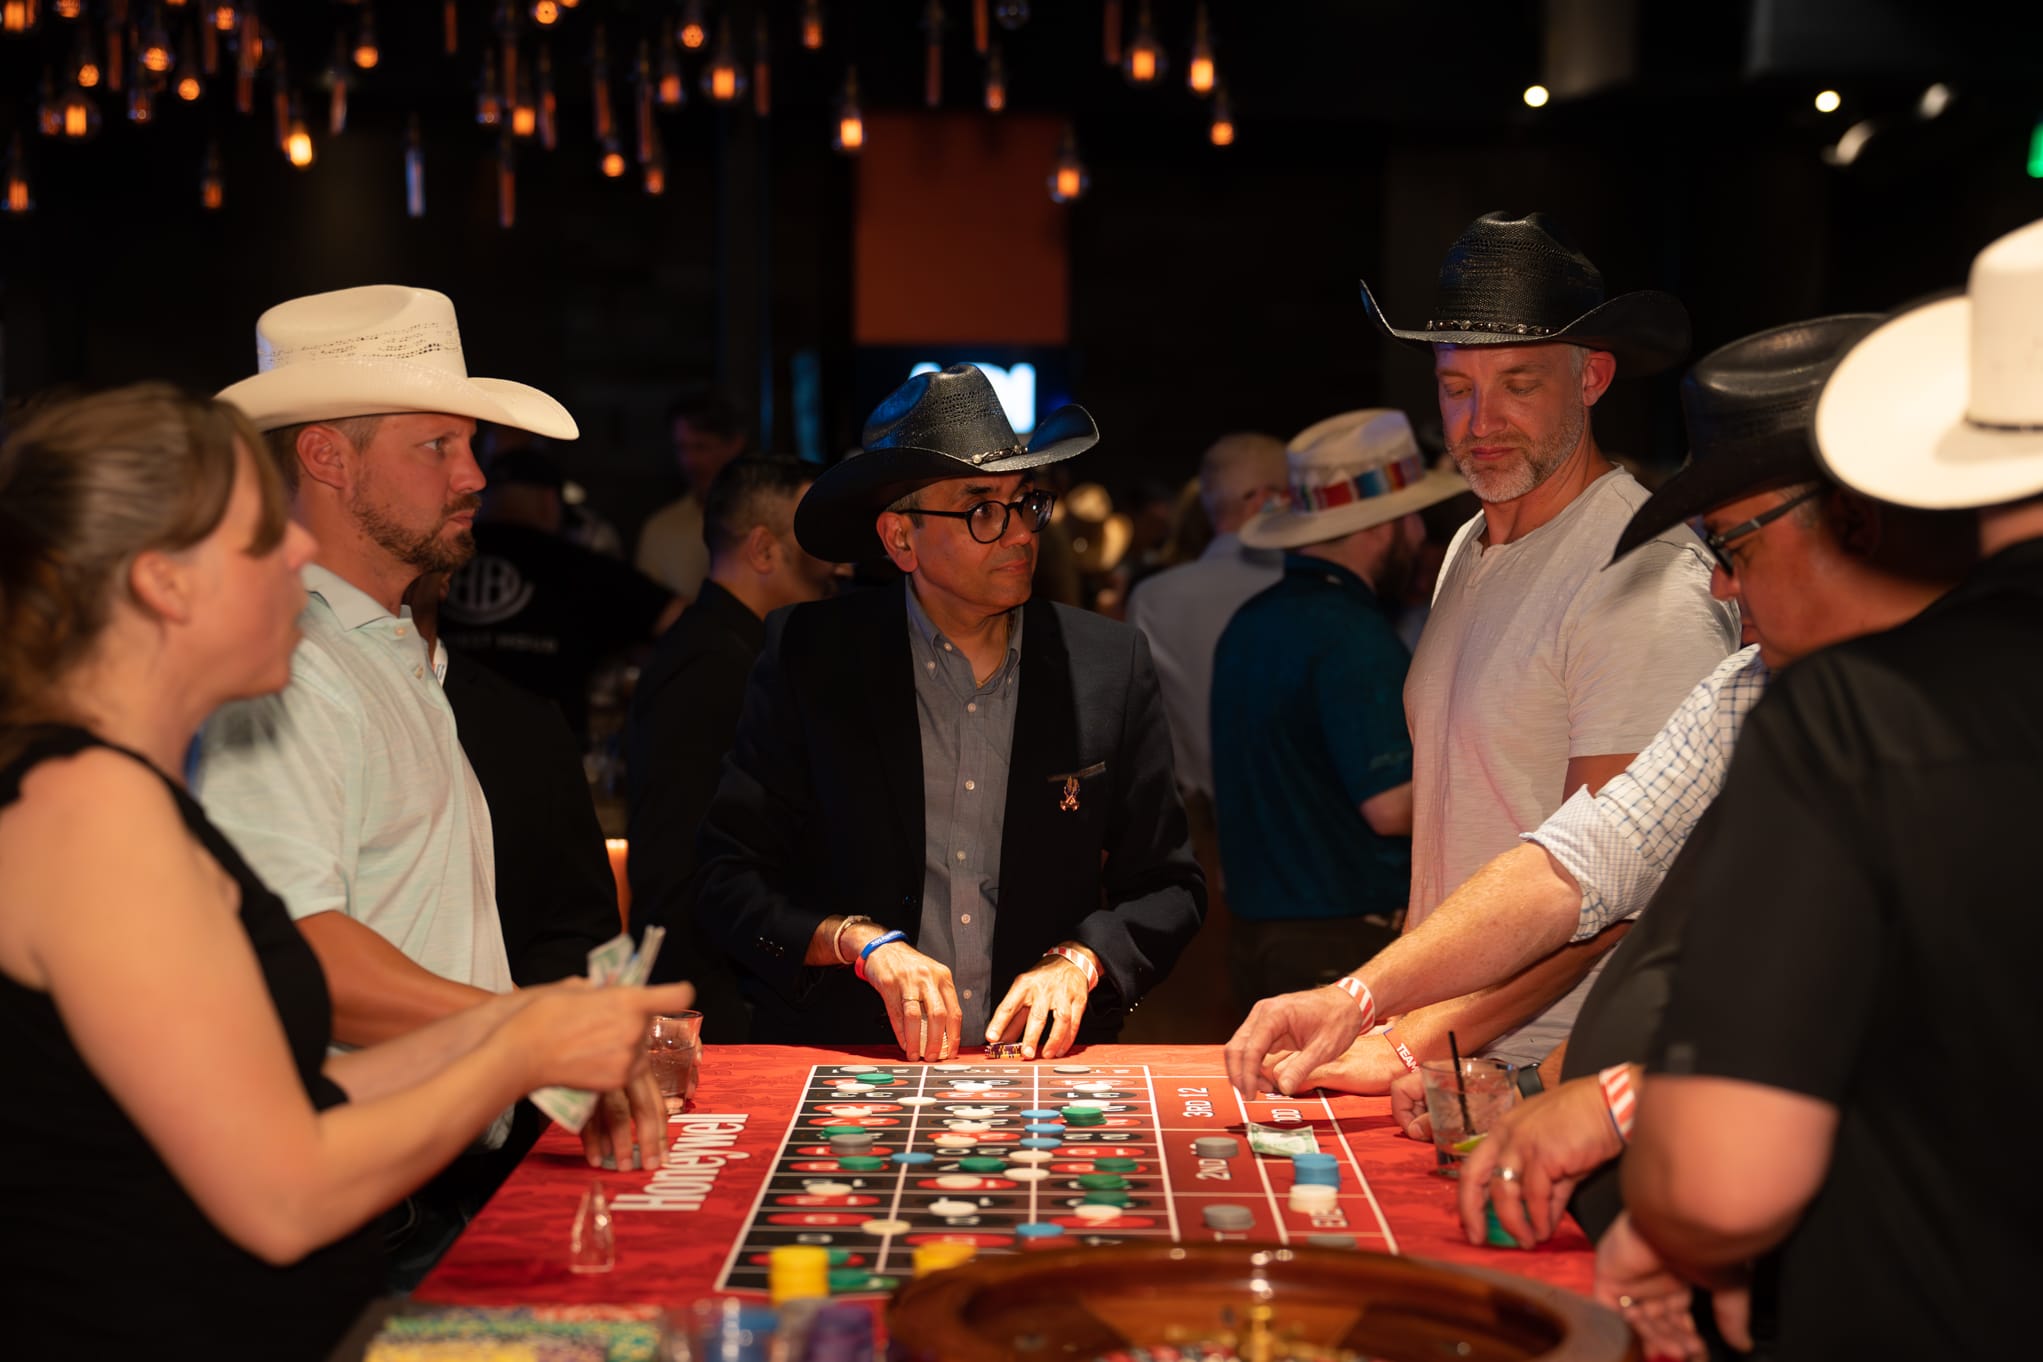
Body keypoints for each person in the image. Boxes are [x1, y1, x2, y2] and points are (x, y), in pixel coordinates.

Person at [0, 384, 692, 1360]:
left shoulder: (120, 795)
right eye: (256, 537)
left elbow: (290, 1100)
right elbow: (282, 1193)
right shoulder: (91, 810)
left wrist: (526, 1025)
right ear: (164, 583)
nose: (295, 552)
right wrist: (517, 1049)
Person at [1606, 220, 2043, 1362]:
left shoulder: (1858, 720)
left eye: (1731, 545)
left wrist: (1675, 1218)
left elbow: (1720, 1182)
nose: (1719, 584)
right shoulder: (1793, 698)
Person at [197, 286, 669, 1265]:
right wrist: (536, 1030)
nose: (473, 477)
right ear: (327, 456)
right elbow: (294, 944)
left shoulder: (393, 654)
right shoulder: (287, 661)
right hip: (356, 1212)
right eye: (438, 447)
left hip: (431, 1183)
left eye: (472, 450)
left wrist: (553, 1040)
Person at [1308, 210, 1738, 1087]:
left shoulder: (1639, 574)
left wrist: (1410, 1039)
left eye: (1518, 384)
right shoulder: (1469, 545)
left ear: (1592, 380)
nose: (1480, 419)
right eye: (1455, 386)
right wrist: (1395, 1015)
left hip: (1553, 1071)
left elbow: (1618, 892)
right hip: (1445, 1055)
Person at [693, 364, 1206, 1061]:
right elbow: (729, 878)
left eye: (1025, 502)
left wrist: (1081, 961)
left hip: (1039, 1065)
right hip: (854, 1058)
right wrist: (859, 944)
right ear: (900, 538)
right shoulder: (812, 656)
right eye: (980, 508)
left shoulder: (1105, 663)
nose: (1020, 532)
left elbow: (1169, 886)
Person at [1210, 410, 1466, 1005]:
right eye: (1415, 521)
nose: (1423, 537)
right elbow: (1390, 807)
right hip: (1340, 940)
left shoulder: (1250, 621)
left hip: (1258, 934)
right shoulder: (1350, 632)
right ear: (1384, 526)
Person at [625, 455, 843, 1038]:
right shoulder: (709, 666)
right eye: (817, 536)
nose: (837, 562)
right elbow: (677, 870)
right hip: (719, 1005)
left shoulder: (743, 654)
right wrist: (716, 1025)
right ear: (764, 550)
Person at [409, 571, 621, 990]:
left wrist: (522, 1014)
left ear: (446, 574)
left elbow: (580, 921)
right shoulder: (298, 699)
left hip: (511, 1034)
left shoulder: (527, 724)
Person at [441, 446, 680, 743]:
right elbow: (683, 622)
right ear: (549, 501)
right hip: (549, 753)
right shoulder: (579, 566)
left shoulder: (435, 564)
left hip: (444, 745)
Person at [1125, 432, 1289, 809]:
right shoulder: (1299, 588)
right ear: (1266, 499)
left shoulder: (1152, 598)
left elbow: (1142, 729)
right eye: (1294, 492)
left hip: (1194, 831)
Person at [635, 390, 751, 601]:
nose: (689, 461)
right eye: (682, 448)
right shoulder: (660, 527)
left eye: (701, 447)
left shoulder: (763, 521)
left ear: (735, 445)